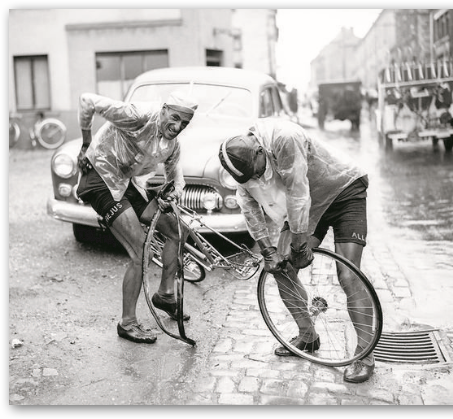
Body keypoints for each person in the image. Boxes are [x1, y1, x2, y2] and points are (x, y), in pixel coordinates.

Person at [219, 118, 375, 383]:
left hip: (344, 189)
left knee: (349, 275)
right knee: (282, 268)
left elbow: (298, 192)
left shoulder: (284, 138)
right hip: (308, 203)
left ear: (259, 151)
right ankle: (308, 335)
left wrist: (300, 244)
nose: (255, 179)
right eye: (249, 178)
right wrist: (268, 250)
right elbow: (249, 207)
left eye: (256, 172)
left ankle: (365, 354)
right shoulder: (242, 163)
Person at [76, 91, 198, 344]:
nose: (177, 127)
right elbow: (87, 100)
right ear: (163, 109)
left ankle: (165, 295)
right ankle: (127, 322)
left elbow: (176, 178)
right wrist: (86, 143)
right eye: (174, 118)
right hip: (98, 177)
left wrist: (171, 192)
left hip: (123, 182)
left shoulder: (171, 144)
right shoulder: (137, 116)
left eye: (184, 123)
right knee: (140, 249)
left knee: (177, 230)